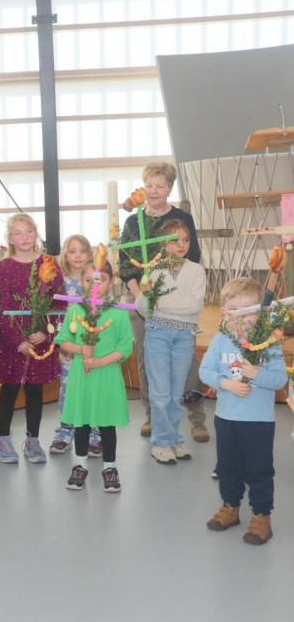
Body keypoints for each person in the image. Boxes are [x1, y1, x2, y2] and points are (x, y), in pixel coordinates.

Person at [120, 160, 207, 441]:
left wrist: (173, 294)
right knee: (146, 356)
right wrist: (141, 296)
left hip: (178, 293)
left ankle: (196, 416)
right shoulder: (133, 221)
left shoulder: (182, 218)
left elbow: (192, 255)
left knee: (187, 358)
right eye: (149, 185)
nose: (154, 191)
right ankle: (152, 415)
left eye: (160, 185)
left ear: (170, 188)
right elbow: (125, 263)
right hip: (141, 294)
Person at [200, 277, 286, 545]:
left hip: (258, 421)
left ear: (259, 312)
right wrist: (226, 384)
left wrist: (256, 374)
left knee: (260, 470)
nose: (240, 316)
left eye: (248, 310)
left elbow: (279, 379)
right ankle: (231, 506)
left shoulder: (269, 343)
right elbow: (205, 371)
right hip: (226, 419)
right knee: (228, 467)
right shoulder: (220, 341)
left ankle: (261, 515)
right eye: (234, 309)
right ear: (224, 312)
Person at [0, 213, 64, 465]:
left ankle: (33, 440)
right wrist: (17, 340)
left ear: (36, 233)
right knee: (9, 389)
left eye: (29, 231)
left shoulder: (49, 264)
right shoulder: (4, 267)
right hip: (12, 340)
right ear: (10, 239)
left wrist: (46, 332)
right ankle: (3, 439)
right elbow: (1, 307)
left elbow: (59, 303)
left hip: (40, 337)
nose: (24, 237)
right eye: (18, 233)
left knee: (34, 390)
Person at [55, 260, 132, 492]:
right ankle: (79, 465)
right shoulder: (76, 311)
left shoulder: (118, 313)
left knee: (107, 423)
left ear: (111, 281)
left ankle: (110, 467)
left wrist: (99, 361)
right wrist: (79, 349)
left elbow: (125, 347)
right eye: (89, 280)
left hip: (107, 375)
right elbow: (63, 340)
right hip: (82, 376)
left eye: (101, 280)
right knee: (82, 421)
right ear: (82, 281)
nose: (94, 286)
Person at [136, 219, 206, 465]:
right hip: (158, 333)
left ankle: (174, 439)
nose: (181, 245)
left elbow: (194, 306)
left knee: (176, 393)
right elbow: (143, 309)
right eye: (175, 240)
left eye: (185, 240)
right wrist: (146, 295)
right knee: (160, 392)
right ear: (163, 245)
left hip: (185, 336)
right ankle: (162, 443)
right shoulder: (153, 271)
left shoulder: (196, 270)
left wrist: (160, 303)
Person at [49, 235, 101, 455]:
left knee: (93, 388)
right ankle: (65, 430)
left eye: (82, 250)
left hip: (93, 345)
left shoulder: (96, 280)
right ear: (65, 255)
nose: (78, 256)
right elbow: (55, 315)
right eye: (72, 251)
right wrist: (65, 345)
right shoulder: (59, 282)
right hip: (69, 347)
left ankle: (95, 433)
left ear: (90, 254)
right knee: (68, 388)